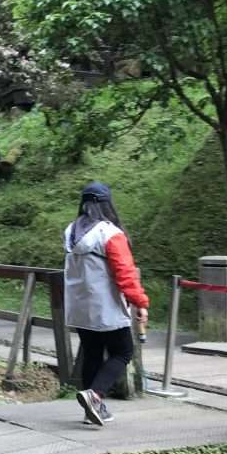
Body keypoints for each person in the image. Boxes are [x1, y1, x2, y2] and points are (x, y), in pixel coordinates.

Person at [64, 182, 149, 426]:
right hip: (105, 306)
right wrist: (140, 302)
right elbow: (125, 274)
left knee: (92, 353)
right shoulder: (110, 234)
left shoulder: (71, 232)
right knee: (123, 351)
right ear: (107, 204)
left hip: (80, 306)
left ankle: (92, 411)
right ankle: (95, 395)